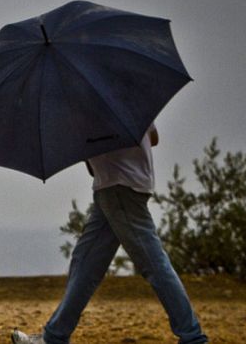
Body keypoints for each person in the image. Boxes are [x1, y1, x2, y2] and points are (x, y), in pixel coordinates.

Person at [11, 123, 208, 344]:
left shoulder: (89, 108)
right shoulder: (127, 97)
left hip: (119, 188)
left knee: (155, 264)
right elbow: (153, 137)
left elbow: (91, 158)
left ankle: (193, 338)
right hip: (114, 187)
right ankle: (55, 336)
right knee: (85, 262)